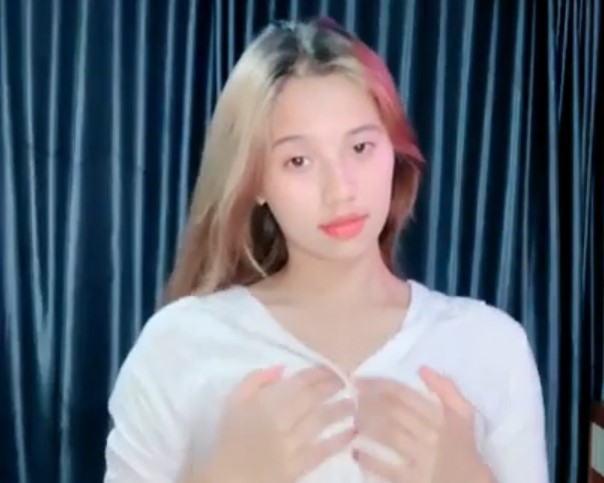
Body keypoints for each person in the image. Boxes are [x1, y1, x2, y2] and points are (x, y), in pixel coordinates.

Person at [103, 16, 549, 483]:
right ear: (254, 180)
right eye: (298, 160)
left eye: (360, 147)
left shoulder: (492, 347)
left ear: (393, 152)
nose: (340, 189)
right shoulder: (177, 346)